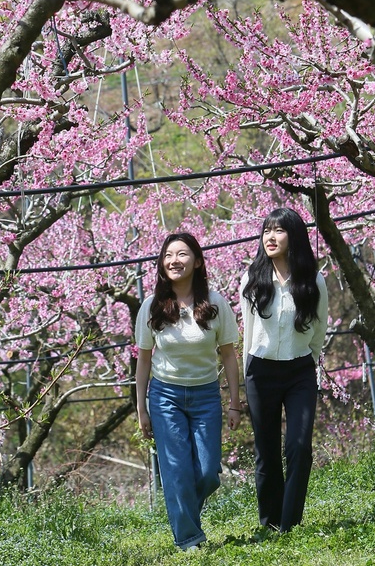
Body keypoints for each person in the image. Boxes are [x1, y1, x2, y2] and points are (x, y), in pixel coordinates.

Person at [135, 231, 241, 552]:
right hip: (165, 396)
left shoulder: (216, 304)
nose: (174, 261)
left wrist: (234, 402)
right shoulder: (152, 307)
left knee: (208, 473)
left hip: (206, 395)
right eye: (168, 256)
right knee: (176, 469)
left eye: (182, 254)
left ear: (197, 261)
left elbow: (229, 355)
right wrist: (141, 408)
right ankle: (189, 539)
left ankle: (183, 514)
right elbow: (143, 360)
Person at [240, 206, 329, 535]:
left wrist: (307, 361)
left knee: (299, 445)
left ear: (295, 236)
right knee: (266, 452)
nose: (270, 237)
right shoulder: (252, 277)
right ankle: (270, 522)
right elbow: (248, 331)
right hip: (260, 371)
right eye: (266, 231)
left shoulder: (313, 280)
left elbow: (319, 330)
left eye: (278, 230)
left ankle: (288, 524)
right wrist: (248, 369)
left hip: (299, 373)